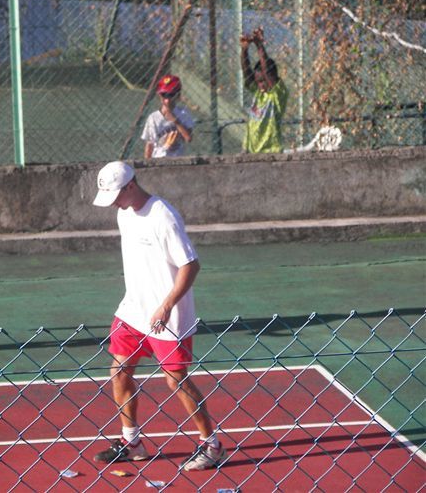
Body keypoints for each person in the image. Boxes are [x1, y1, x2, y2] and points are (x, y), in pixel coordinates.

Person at [91, 161, 227, 471]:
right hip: (133, 309)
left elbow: (190, 264)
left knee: (175, 379)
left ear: (131, 186)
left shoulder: (163, 216)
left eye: (115, 194)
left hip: (168, 313)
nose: (111, 201)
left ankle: (212, 446)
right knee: (119, 369)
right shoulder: (123, 213)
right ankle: (132, 441)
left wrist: (166, 305)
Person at [241, 27, 288, 153]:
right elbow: (247, 73)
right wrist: (244, 49)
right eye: (258, 82)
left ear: (272, 78)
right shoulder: (258, 93)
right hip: (252, 151)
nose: (260, 85)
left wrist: (259, 45)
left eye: (263, 81)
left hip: (271, 151)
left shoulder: (277, 94)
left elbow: (267, 70)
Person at [141, 74, 194, 159]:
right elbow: (149, 144)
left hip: (178, 160)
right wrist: (147, 163)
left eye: (171, 95)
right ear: (159, 95)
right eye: (164, 95)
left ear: (178, 95)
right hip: (157, 160)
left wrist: (175, 120)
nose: (167, 100)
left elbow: (188, 138)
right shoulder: (153, 118)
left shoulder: (183, 113)